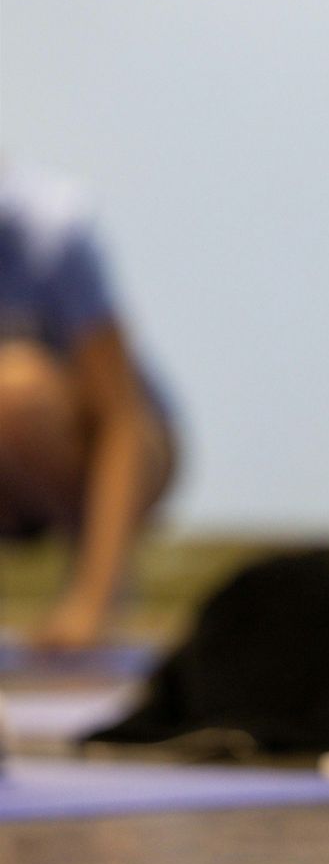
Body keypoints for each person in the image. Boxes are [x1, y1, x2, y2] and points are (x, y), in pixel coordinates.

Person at [0, 163, 178, 650]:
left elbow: (120, 420)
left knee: (13, 393)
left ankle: (101, 570)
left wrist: (93, 600)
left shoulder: (52, 230)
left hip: (128, 440)